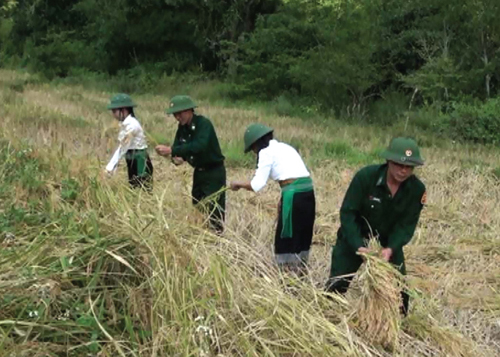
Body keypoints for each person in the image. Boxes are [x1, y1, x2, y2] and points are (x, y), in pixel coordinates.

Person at [325, 137, 426, 315]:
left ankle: (397, 324)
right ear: (388, 161)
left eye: (409, 167)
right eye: (398, 165)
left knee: (400, 290)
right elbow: (348, 214)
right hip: (356, 236)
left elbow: (406, 225)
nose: (403, 171)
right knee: (337, 283)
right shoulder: (366, 177)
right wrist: (358, 246)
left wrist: (391, 249)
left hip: (388, 241)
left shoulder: (417, 190)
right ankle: (327, 316)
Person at [230, 124, 316, 273]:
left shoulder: (266, 152)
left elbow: (257, 184)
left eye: (252, 149)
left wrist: (238, 184)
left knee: (287, 237)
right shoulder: (284, 147)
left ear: (256, 144)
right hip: (308, 194)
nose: (254, 152)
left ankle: (288, 276)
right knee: (303, 234)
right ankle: (301, 271)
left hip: (294, 196)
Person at [155, 95, 226, 234]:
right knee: (198, 206)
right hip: (198, 172)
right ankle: (201, 237)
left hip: (214, 172)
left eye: (179, 113)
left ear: (189, 111)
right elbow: (178, 150)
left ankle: (216, 239)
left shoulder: (203, 124)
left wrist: (172, 150)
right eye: (175, 114)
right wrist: (175, 158)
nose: (177, 117)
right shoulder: (181, 128)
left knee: (214, 209)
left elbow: (200, 145)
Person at [105, 93, 153, 190]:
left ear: (124, 110)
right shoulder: (125, 124)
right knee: (133, 187)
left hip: (140, 161)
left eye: (114, 111)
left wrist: (110, 167)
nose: (113, 114)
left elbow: (122, 147)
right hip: (131, 158)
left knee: (143, 190)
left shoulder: (132, 126)